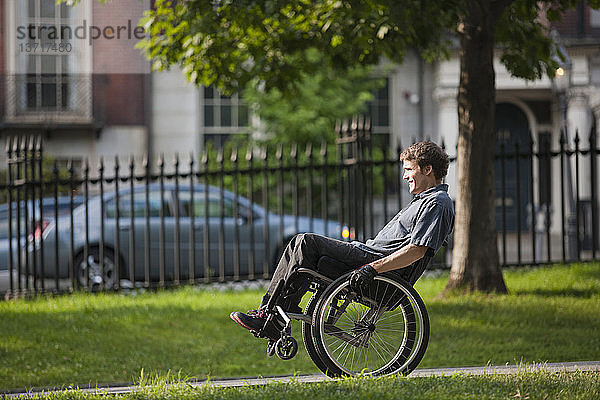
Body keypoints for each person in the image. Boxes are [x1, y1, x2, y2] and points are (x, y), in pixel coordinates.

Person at [230, 141, 454, 340]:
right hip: (367, 254)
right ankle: (272, 316)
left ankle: (271, 318)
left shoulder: (437, 203)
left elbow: (417, 250)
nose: (404, 176)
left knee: (305, 242)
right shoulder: (423, 201)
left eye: (408, 170)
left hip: (375, 263)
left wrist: (371, 268)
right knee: (299, 248)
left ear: (428, 169)